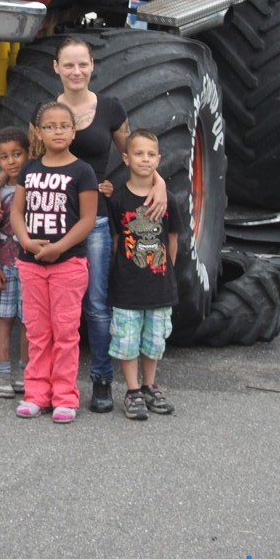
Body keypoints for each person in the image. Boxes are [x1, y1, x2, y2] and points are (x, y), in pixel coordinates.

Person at [0, 36, 167, 414]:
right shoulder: (46, 112)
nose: (76, 71)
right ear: (56, 68)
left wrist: (160, 182)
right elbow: (25, 162)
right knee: (43, 316)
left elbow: (133, 151)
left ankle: (101, 380)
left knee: (96, 306)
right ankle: (42, 387)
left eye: (82, 64)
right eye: (68, 65)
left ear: (91, 65)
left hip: (94, 219)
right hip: (46, 226)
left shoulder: (110, 108)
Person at [10, 101, 98, 424]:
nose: (57, 131)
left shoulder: (82, 171)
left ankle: (64, 396)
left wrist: (58, 247)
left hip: (68, 263)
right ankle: (36, 394)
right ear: (38, 132)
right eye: (50, 126)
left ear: (74, 131)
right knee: (37, 331)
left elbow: (87, 220)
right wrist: (26, 241)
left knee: (65, 331)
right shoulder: (29, 170)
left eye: (64, 126)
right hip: (31, 264)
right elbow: (17, 212)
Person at [108, 130, 180, 420]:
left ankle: (150, 386)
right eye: (139, 153)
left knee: (154, 340)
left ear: (159, 158)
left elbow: (173, 238)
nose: (145, 159)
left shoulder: (168, 200)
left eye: (151, 154)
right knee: (126, 340)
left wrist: (168, 270)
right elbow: (115, 241)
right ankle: (132, 390)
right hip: (127, 286)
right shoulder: (118, 199)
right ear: (126, 158)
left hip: (160, 285)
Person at [0, 126, 30, 398]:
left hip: (31, 266)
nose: (12, 161)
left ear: (28, 154)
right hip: (4, 264)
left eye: (17, 154)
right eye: (4, 157)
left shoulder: (36, 184)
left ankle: (27, 372)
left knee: (29, 322)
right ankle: (2, 373)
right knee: (4, 319)